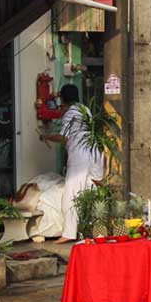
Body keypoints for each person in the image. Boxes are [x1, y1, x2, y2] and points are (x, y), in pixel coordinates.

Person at [39, 84, 104, 244]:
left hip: (80, 159)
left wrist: (46, 136)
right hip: (93, 155)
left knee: (70, 196)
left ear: (63, 98)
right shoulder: (84, 109)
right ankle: (96, 232)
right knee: (90, 192)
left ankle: (68, 233)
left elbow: (64, 137)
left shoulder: (70, 113)